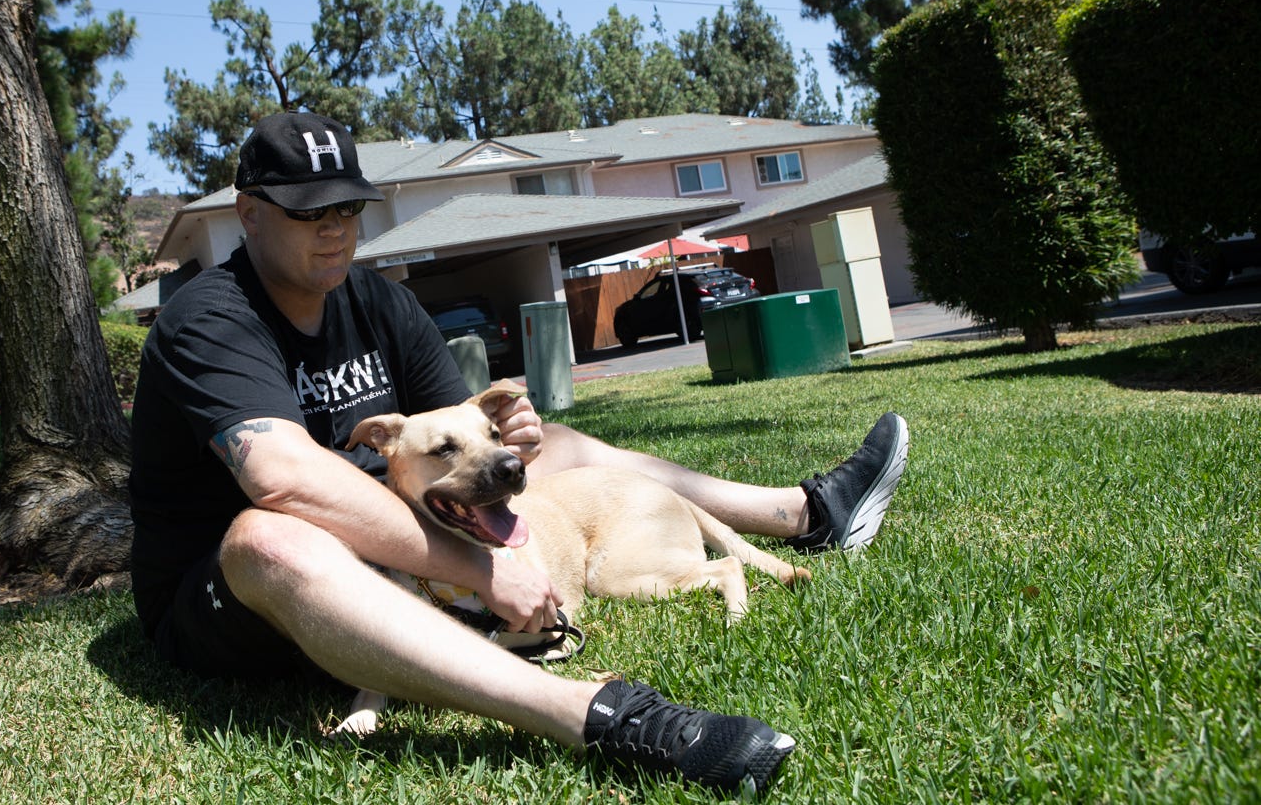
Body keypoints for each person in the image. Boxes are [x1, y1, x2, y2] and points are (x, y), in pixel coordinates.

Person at [129, 111, 909, 797]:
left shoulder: (375, 299)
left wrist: (513, 439)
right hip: (238, 592)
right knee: (271, 532)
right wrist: (477, 567)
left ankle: (801, 513)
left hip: (392, 546)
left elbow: (466, 424)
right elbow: (281, 478)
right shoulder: (211, 317)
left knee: (562, 446)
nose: (334, 226)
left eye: (347, 207)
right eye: (309, 212)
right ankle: (582, 711)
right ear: (250, 215)